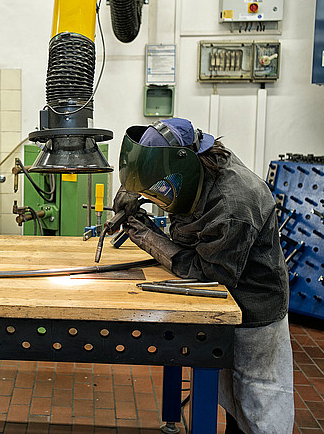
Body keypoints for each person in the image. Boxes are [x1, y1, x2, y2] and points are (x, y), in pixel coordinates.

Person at [111, 118, 293, 434]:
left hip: (254, 308)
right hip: (224, 305)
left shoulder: (235, 203)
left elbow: (208, 274)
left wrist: (145, 235)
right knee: (234, 399)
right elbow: (163, 180)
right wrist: (133, 189)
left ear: (185, 167)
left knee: (259, 399)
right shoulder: (199, 162)